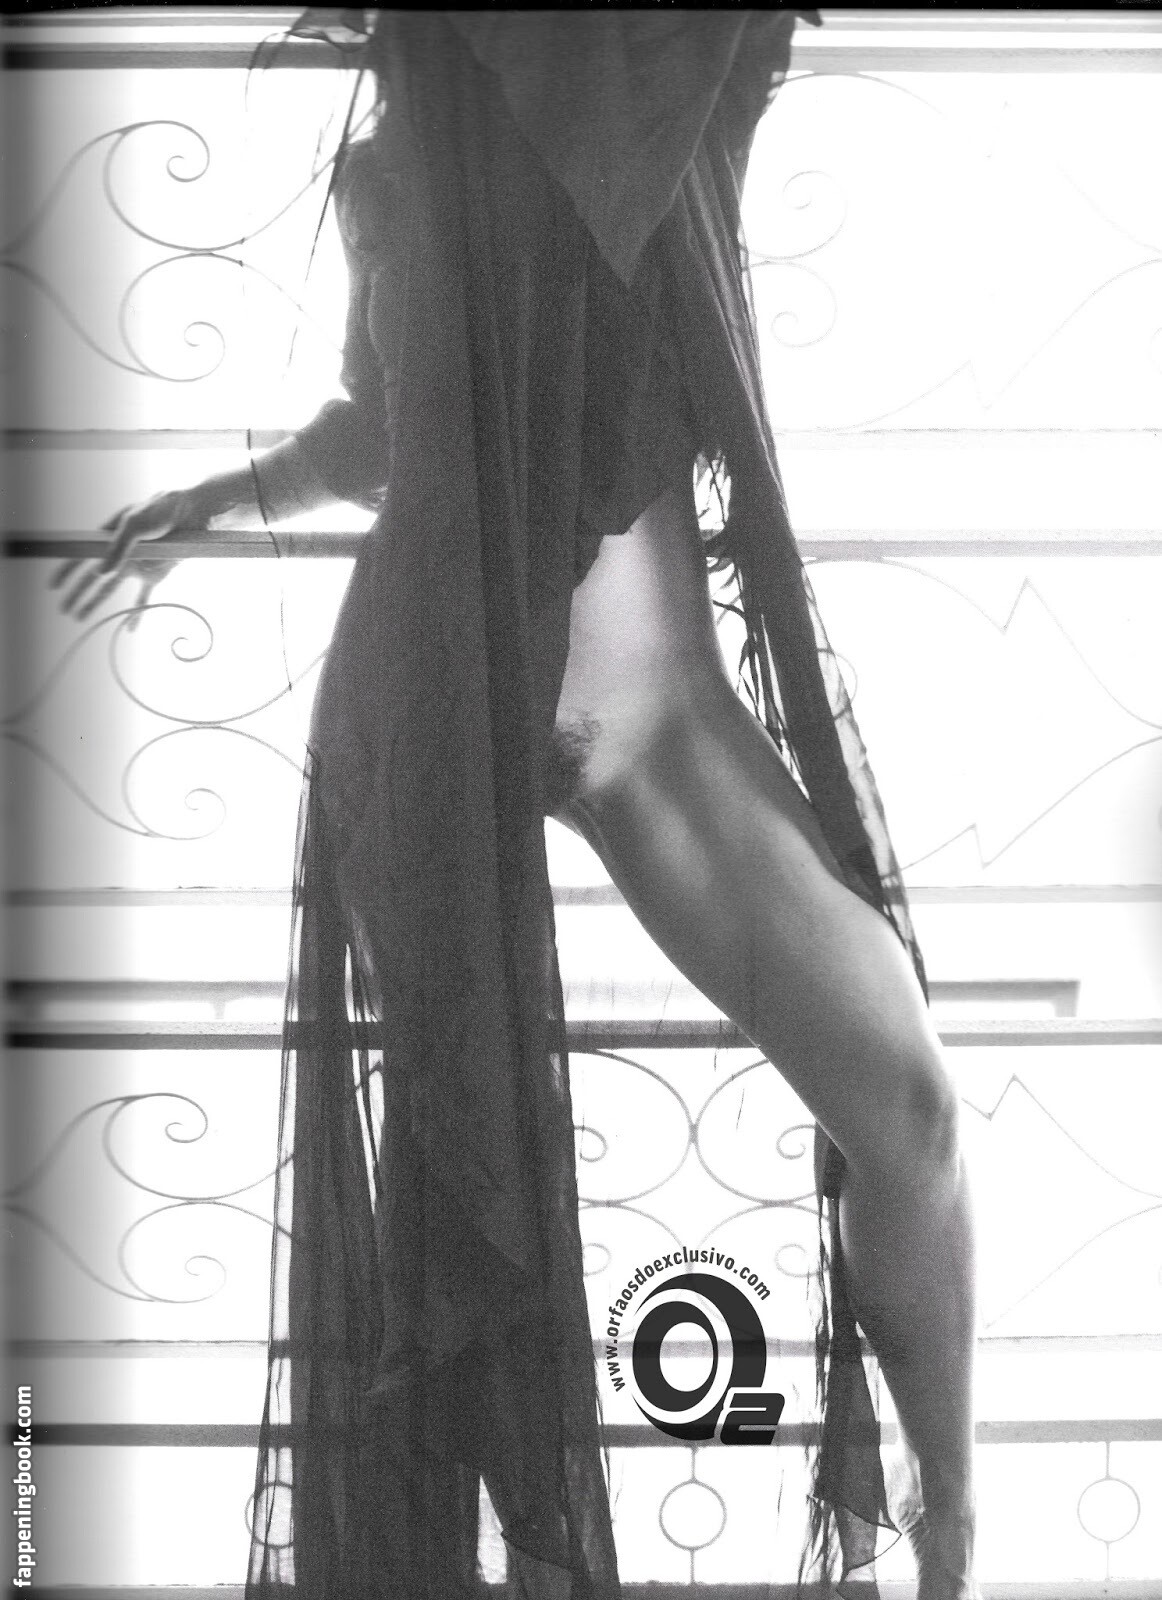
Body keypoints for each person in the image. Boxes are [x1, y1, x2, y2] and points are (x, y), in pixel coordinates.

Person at [56, 12, 980, 1598]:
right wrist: (216, 497)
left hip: (650, 722)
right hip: (430, 706)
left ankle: (948, 1522)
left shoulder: (671, 71)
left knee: (904, 1108)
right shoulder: (394, 162)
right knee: (468, 1215)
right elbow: (383, 428)